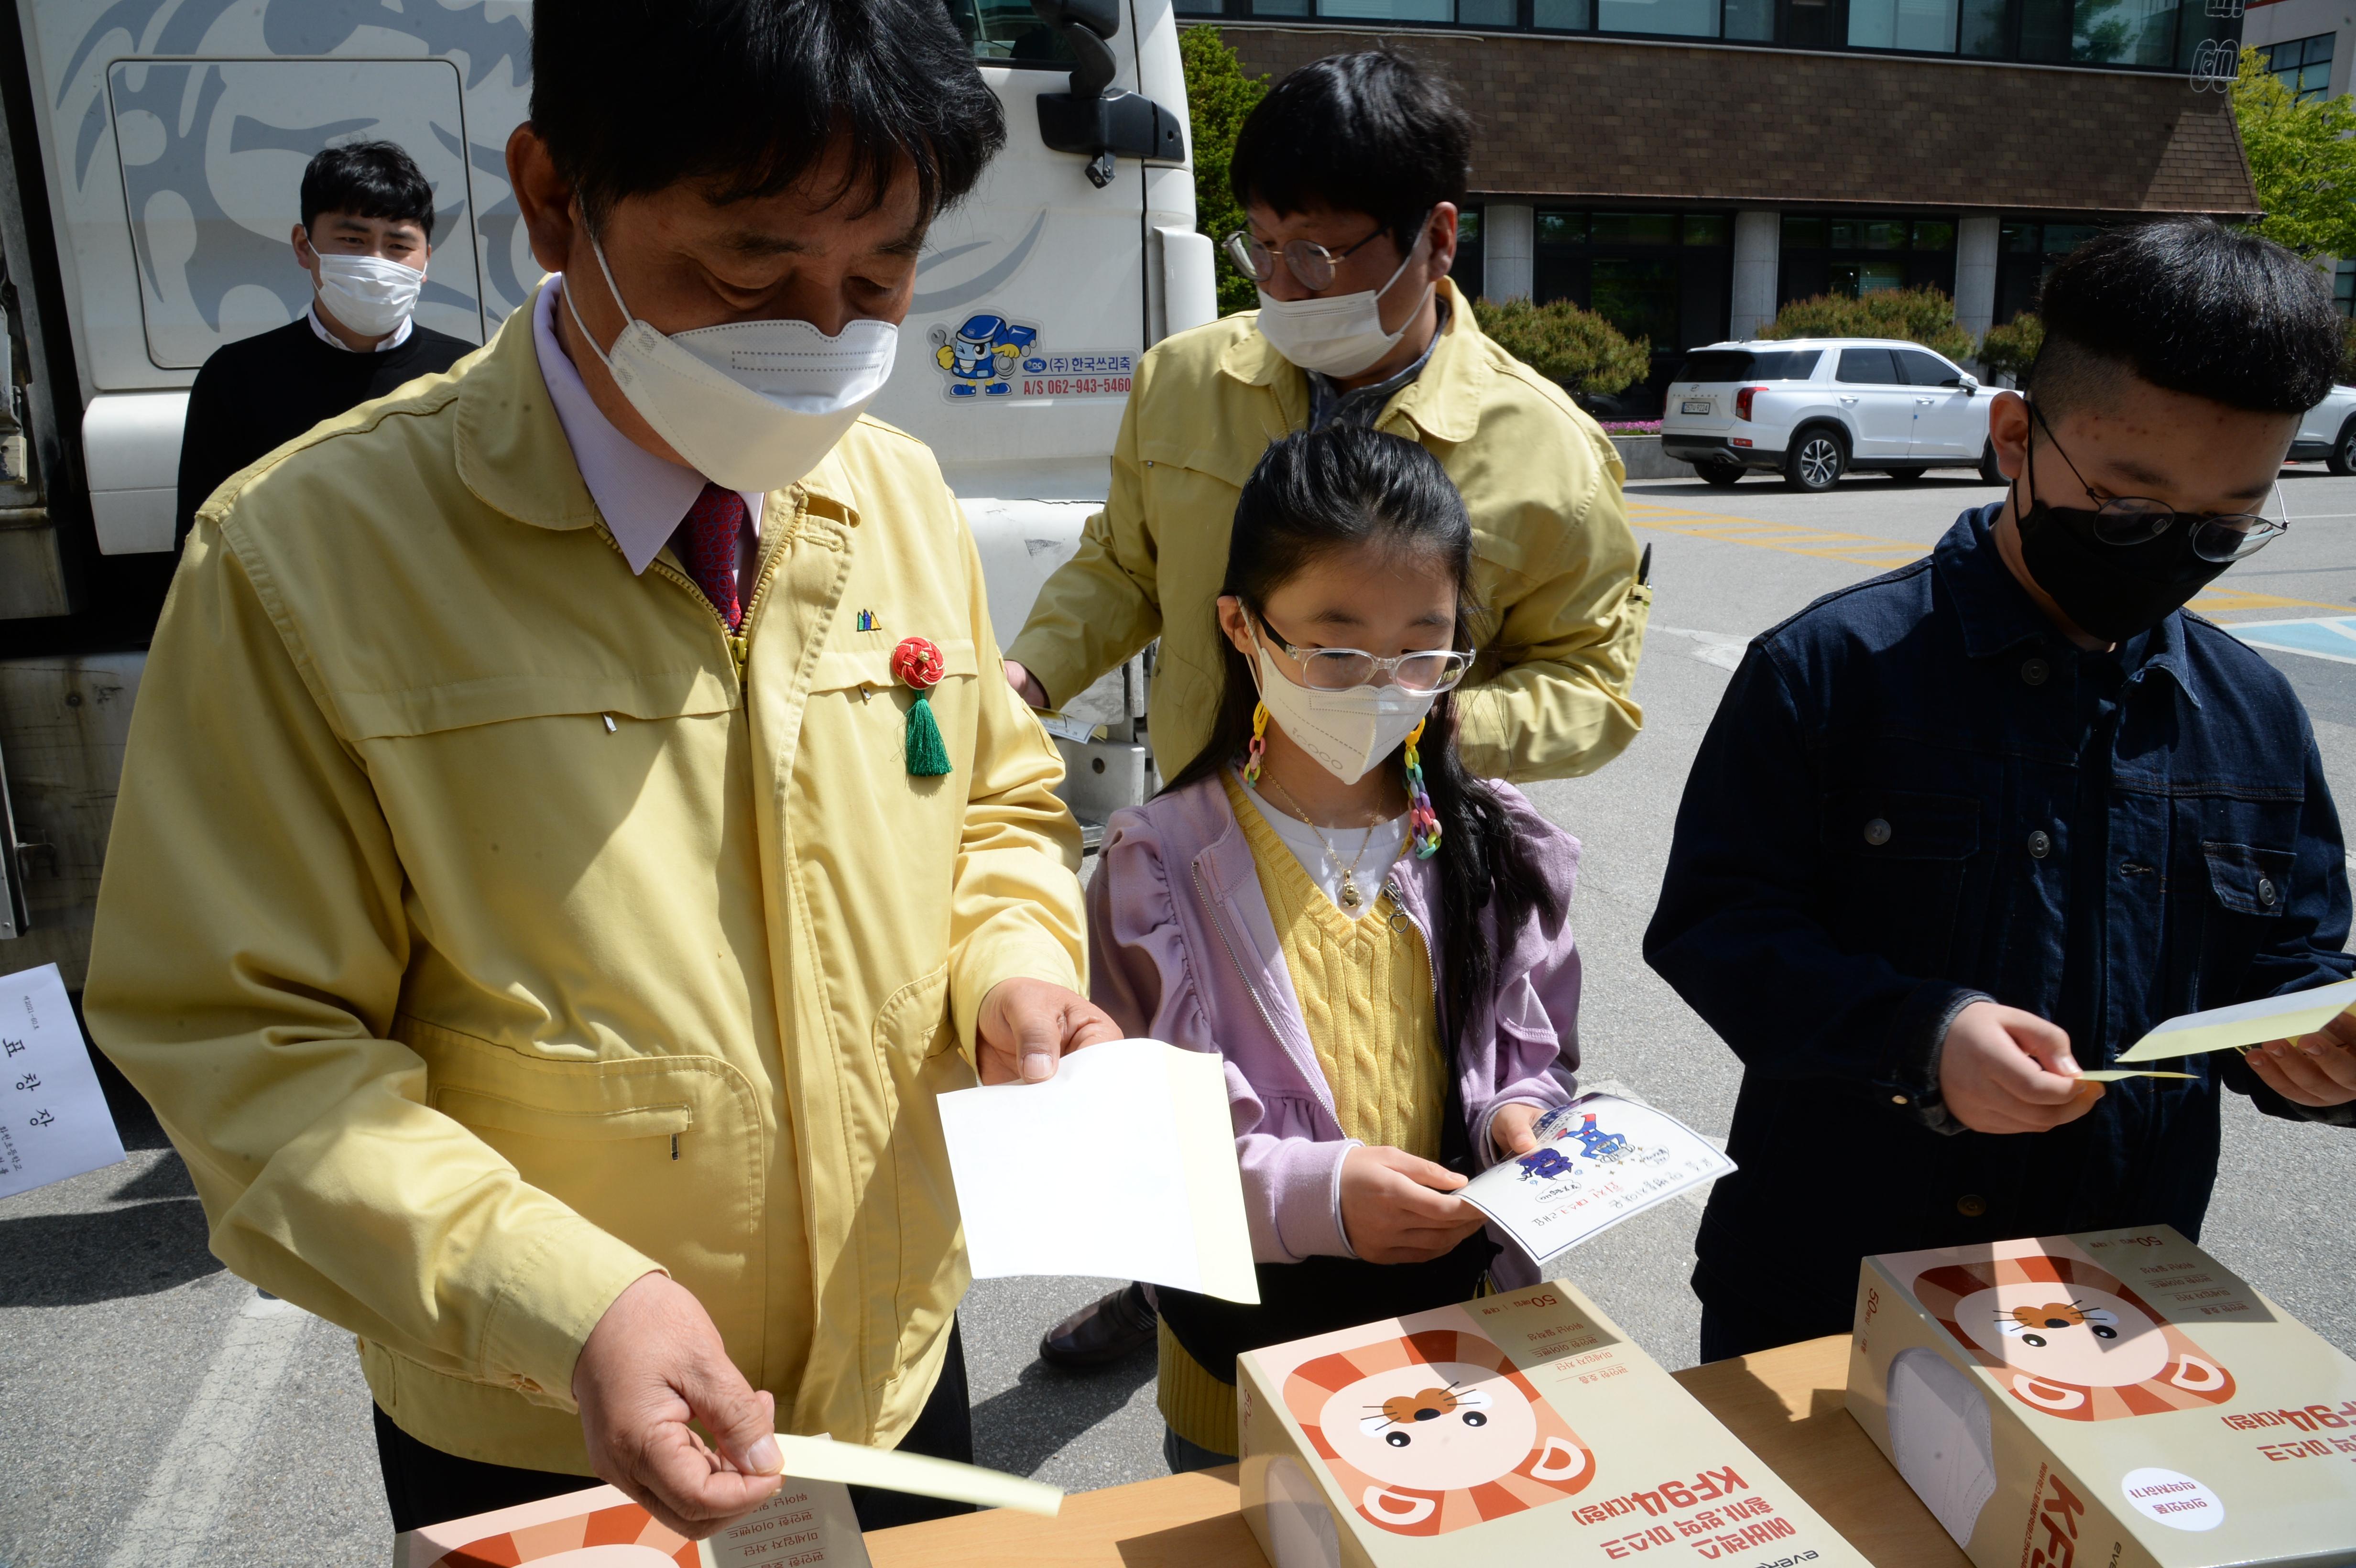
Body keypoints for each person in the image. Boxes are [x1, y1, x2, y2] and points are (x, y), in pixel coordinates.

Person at [86, 0, 1119, 1542]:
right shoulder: (308, 556)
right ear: (557, 199)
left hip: (890, 1362)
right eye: (750, 268)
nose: (825, 337)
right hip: (539, 1409)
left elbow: (992, 803)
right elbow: (242, 1039)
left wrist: (1013, 968)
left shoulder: (896, 493)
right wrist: (571, 1303)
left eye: (881, 276)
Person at [1017, 49, 1649, 1369]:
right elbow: (1123, 564)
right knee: (1192, 1075)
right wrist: (1023, 685)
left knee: (1396, 1101)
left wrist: (1410, 717)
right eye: (1266, 249)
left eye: (1329, 255)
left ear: (1438, 237)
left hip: (1403, 840)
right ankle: (1170, 1289)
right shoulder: (1184, 381)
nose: (1293, 287)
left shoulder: (1546, 451)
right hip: (1220, 826)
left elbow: (1594, 683)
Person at [1643, 217, 2356, 1362]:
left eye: (2224, 526)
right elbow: (1718, 931)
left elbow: (2288, 965)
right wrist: (1924, 1035)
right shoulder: (1832, 670)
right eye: (2128, 507)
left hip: (2111, 1293)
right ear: (2016, 436)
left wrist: (2330, 1049)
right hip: (1829, 1290)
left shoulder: (2253, 711)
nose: (2170, 549)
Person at [1085, 425, 1586, 1471]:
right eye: (1336, 642)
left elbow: (1526, 1055)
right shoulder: (1158, 862)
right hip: (1245, 1362)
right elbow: (1132, 1155)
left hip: (1451, 1341)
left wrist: (1519, 1120)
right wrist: (1316, 1192)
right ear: (1241, 625)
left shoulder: (1489, 840)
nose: (1381, 682)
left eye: (1422, 647)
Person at [173, 140, 474, 551]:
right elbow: (201, 540)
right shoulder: (237, 377)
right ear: (303, 246)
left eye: (399, 247)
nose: (376, 262)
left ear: (426, 261)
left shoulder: (468, 372)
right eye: (353, 240)